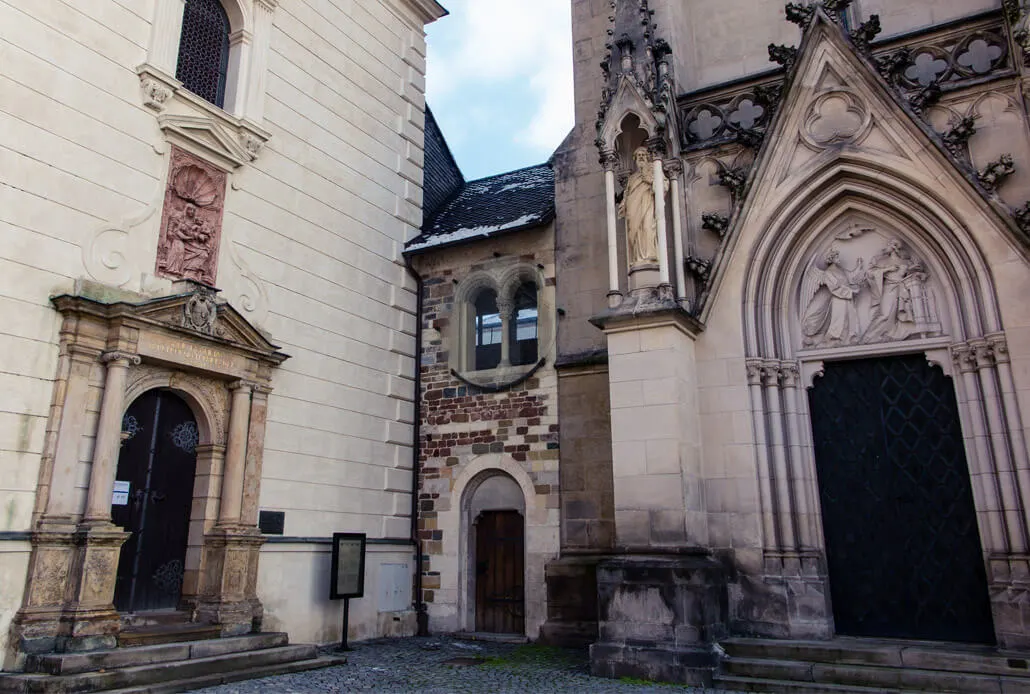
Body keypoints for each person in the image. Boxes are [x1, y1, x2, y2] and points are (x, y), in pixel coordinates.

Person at [801, 247, 865, 346]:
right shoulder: (828, 273)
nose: (839, 259)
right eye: (836, 257)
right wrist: (851, 292)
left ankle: (850, 338)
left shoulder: (841, 270)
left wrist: (859, 267)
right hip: (839, 299)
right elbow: (834, 288)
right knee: (839, 320)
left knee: (850, 319)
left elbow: (851, 276)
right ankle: (834, 339)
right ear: (832, 259)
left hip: (847, 299)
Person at [618, 147, 667, 265]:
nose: (641, 157)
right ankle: (637, 258)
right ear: (635, 159)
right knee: (635, 233)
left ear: (648, 157)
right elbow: (627, 193)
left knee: (647, 228)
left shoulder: (654, 170)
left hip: (647, 204)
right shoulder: (632, 178)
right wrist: (623, 203)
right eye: (638, 155)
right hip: (633, 209)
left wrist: (650, 180)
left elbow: (664, 185)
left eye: (643, 155)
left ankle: (650, 256)